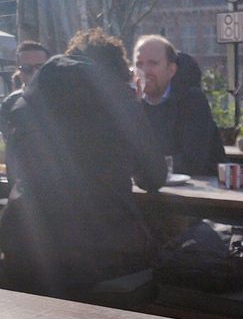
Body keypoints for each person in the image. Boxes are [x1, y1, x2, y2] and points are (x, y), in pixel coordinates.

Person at [0, 28, 166, 297]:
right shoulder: (118, 100)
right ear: (116, 70)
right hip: (102, 254)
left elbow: (15, 172)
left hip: (24, 246)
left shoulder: (25, 102)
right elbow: (154, 177)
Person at [133, 34, 225, 175]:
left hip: (202, 191)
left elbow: (192, 161)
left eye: (153, 63)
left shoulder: (192, 101)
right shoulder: (133, 103)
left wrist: (142, 165)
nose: (144, 71)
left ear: (171, 70)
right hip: (148, 189)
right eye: (139, 64)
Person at [0, 41, 50, 185]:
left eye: (40, 67)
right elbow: (13, 146)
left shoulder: (63, 98)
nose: (35, 72)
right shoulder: (10, 103)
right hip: (26, 185)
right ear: (19, 71)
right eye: (27, 68)